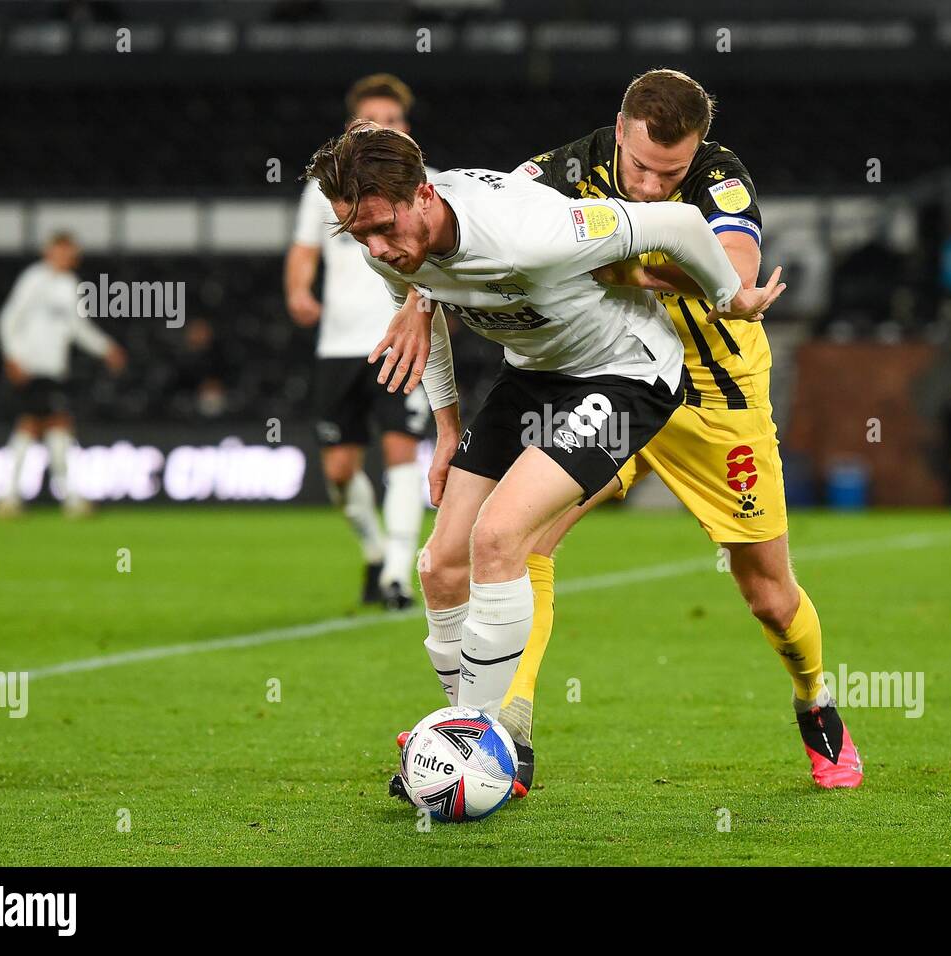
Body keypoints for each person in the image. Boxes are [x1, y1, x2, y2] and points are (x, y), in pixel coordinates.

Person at [302, 121, 783, 801]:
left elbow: (674, 222)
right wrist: (446, 429)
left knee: (499, 538)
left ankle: (476, 740)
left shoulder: (528, 229)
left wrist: (732, 297)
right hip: (534, 375)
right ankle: (469, 733)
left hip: (627, 374)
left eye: (383, 228)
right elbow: (425, 321)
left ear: (423, 196)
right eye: (361, 236)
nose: (377, 247)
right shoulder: (384, 244)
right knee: (440, 566)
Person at [499, 69, 864, 790]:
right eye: (638, 167)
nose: (649, 188)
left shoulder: (721, 178)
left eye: (670, 174)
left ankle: (814, 698)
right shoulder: (567, 168)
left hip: (712, 397)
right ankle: (510, 728)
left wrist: (610, 266)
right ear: (619, 128)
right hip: (611, 381)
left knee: (767, 592)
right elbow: (488, 227)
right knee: (522, 538)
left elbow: (734, 269)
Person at [285, 73, 432, 609]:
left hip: (400, 343)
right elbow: (303, 251)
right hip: (337, 347)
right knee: (340, 474)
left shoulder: (427, 186)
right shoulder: (322, 190)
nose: (383, 129)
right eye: (372, 121)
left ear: (407, 130)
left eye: (392, 122)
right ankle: (375, 553)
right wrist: (299, 289)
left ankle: (397, 574)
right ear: (352, 128)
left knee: (399, 454)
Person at [0, 232, 125, 517]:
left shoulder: (70, 285)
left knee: (41, 427)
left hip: (54, 369)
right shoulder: (33, 279)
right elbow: (8, 318)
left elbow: (78, 328)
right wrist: (13, 357)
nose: (68, 257)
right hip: (30, 367)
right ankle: (58, 497)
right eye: (63, 251)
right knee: (47, 425)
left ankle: (13, 497)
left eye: (71, 252)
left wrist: (106, 349)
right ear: (50, 252)